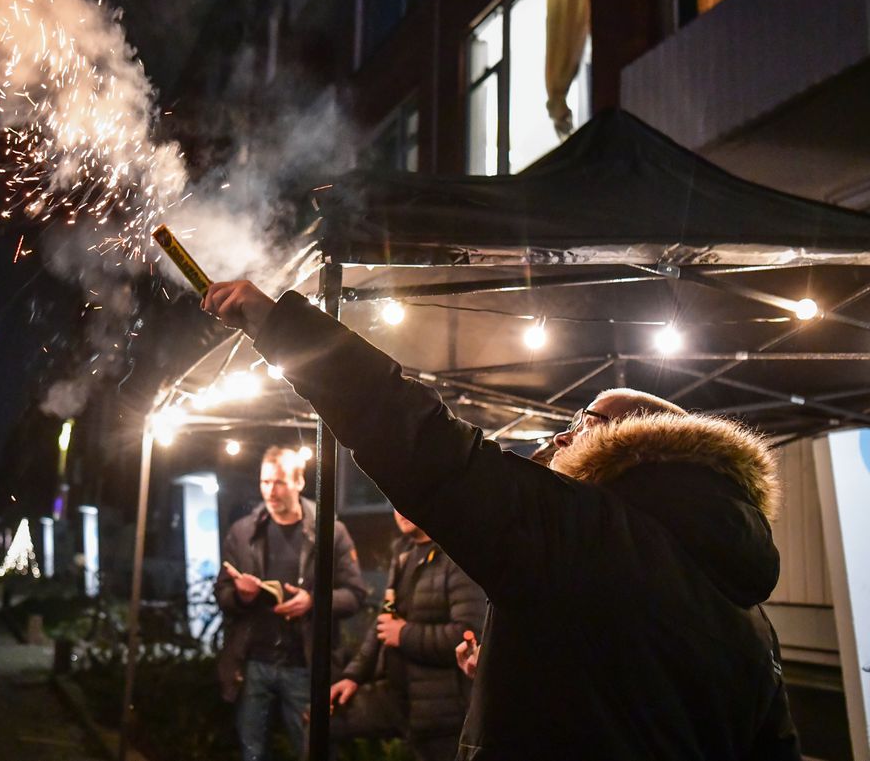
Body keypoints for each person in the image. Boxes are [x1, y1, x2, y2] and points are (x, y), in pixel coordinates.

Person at [203, 281, 800, 760]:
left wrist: (282, 328)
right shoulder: (750, 622)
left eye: (586, 422)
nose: (563, 434)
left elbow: (424, 444)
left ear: (633, 452)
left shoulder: (587, 534)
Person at [215, 445, 368, 761]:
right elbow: (222, 594)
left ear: (299, 482)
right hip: (253, 662)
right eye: (265, 482)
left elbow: (355, 594)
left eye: (280, 482)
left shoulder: (330, 531)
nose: (271, 491)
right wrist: (241, 596)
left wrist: (313, 601)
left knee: (312, 749)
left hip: (305, 664)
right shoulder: (243, 532)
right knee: (252, 751)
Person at [330, 510, 486, 761]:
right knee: (322, 717)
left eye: (406, 501)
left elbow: (467, 634)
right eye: (394, 503)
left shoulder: (457, 556)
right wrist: (353, 676)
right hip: (398, 696)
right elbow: (384, 622)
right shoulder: (403, 553)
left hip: (441, 708)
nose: (400, 510)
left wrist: (404, 634)